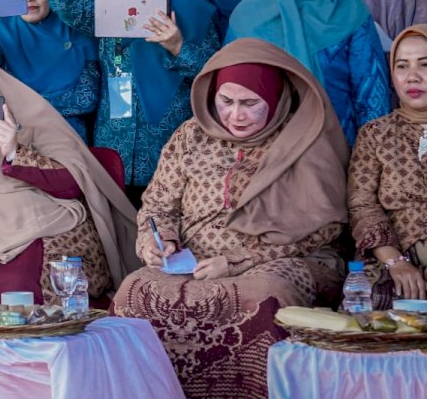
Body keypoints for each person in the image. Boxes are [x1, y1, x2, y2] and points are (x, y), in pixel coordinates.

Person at [113, 39, 348, 399]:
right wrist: (156, 241)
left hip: (284, 260)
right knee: (135, 291)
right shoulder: (191, 135)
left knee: (261, 298)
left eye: (250, 103)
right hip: (194, 262)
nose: (235, 115)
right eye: (226, 102)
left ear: (275, 99)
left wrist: (238, 262)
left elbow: (324, 229)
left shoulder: (304, 142)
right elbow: (158, 204)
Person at [35, 0, 220, 200]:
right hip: (114, 149)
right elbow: (64, 3)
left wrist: (178, 46)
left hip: (173, 155)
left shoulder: (190, 12)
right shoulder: (106, 9)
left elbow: (214, 74)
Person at [0, 46, 138, 305]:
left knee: (13, 288)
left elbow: (72, 183)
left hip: (53, 227)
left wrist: (14, 153)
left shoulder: (32, 114)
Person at [227, 0, 389, 145]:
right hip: (263, 152)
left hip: (337, 148)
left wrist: (368, 162)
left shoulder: (350, 10)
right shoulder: (249, 15)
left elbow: (372, 96)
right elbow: (230, 88)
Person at [347, 25, 427, 307]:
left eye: (424, 64)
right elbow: (361, 204)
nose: (413, 76)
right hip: (391, 256)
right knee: (371, 301)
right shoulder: (375, 134)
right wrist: (395, 261)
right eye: (402, 66)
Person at [0, 0, 99, 140]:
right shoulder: (1, 33)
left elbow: (86, 99)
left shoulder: (76, 33)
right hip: (15, 141)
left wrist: (22, 106)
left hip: (68, 139)